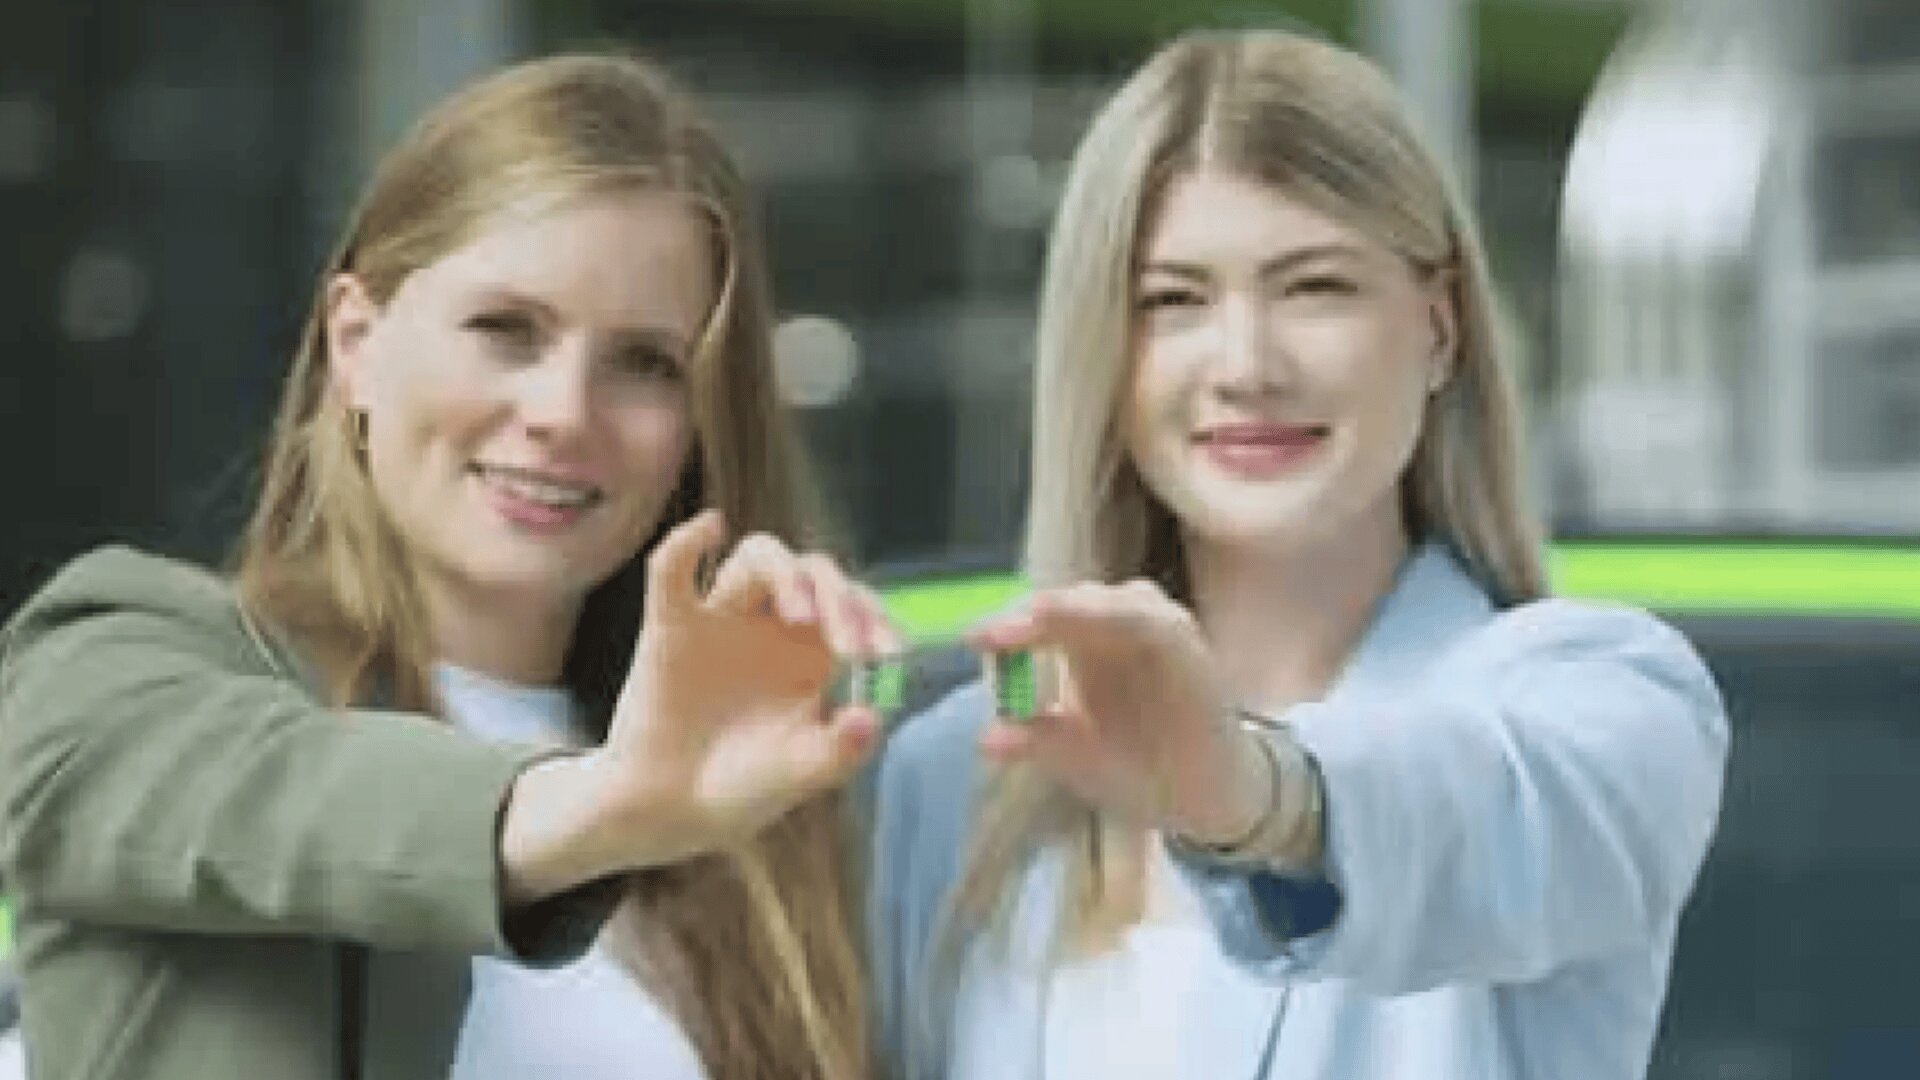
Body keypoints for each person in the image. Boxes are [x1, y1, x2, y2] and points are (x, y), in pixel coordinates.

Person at [0, 52, 896, 1080]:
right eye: (505, 330)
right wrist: (602, 807)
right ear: (356, 344)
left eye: (645, 362)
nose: (563, 412)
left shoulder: (748, 810)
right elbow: (271, 799)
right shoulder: (123, 661)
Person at [871, 27, 1729, 1080]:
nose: (1246, 365)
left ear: (1441, 327)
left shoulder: (1605, 704)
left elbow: (1465, 815)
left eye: (1315, 286)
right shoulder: (950, 779)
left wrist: (1252, 794)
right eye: (1173, 301)